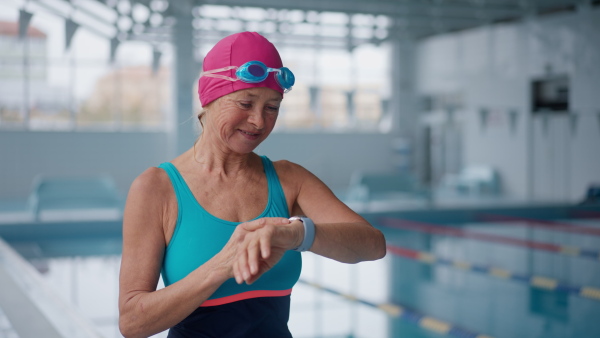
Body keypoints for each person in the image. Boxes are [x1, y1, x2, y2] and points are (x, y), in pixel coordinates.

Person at [118, 31, 386, 338]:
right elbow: (132, 323)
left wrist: (296, 234)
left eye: (272, 107)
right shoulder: (157, 188)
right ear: (209, 99)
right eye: (246, 103)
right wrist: (222, 266)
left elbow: (373, 244)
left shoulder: (289, 180)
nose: (259, 121)